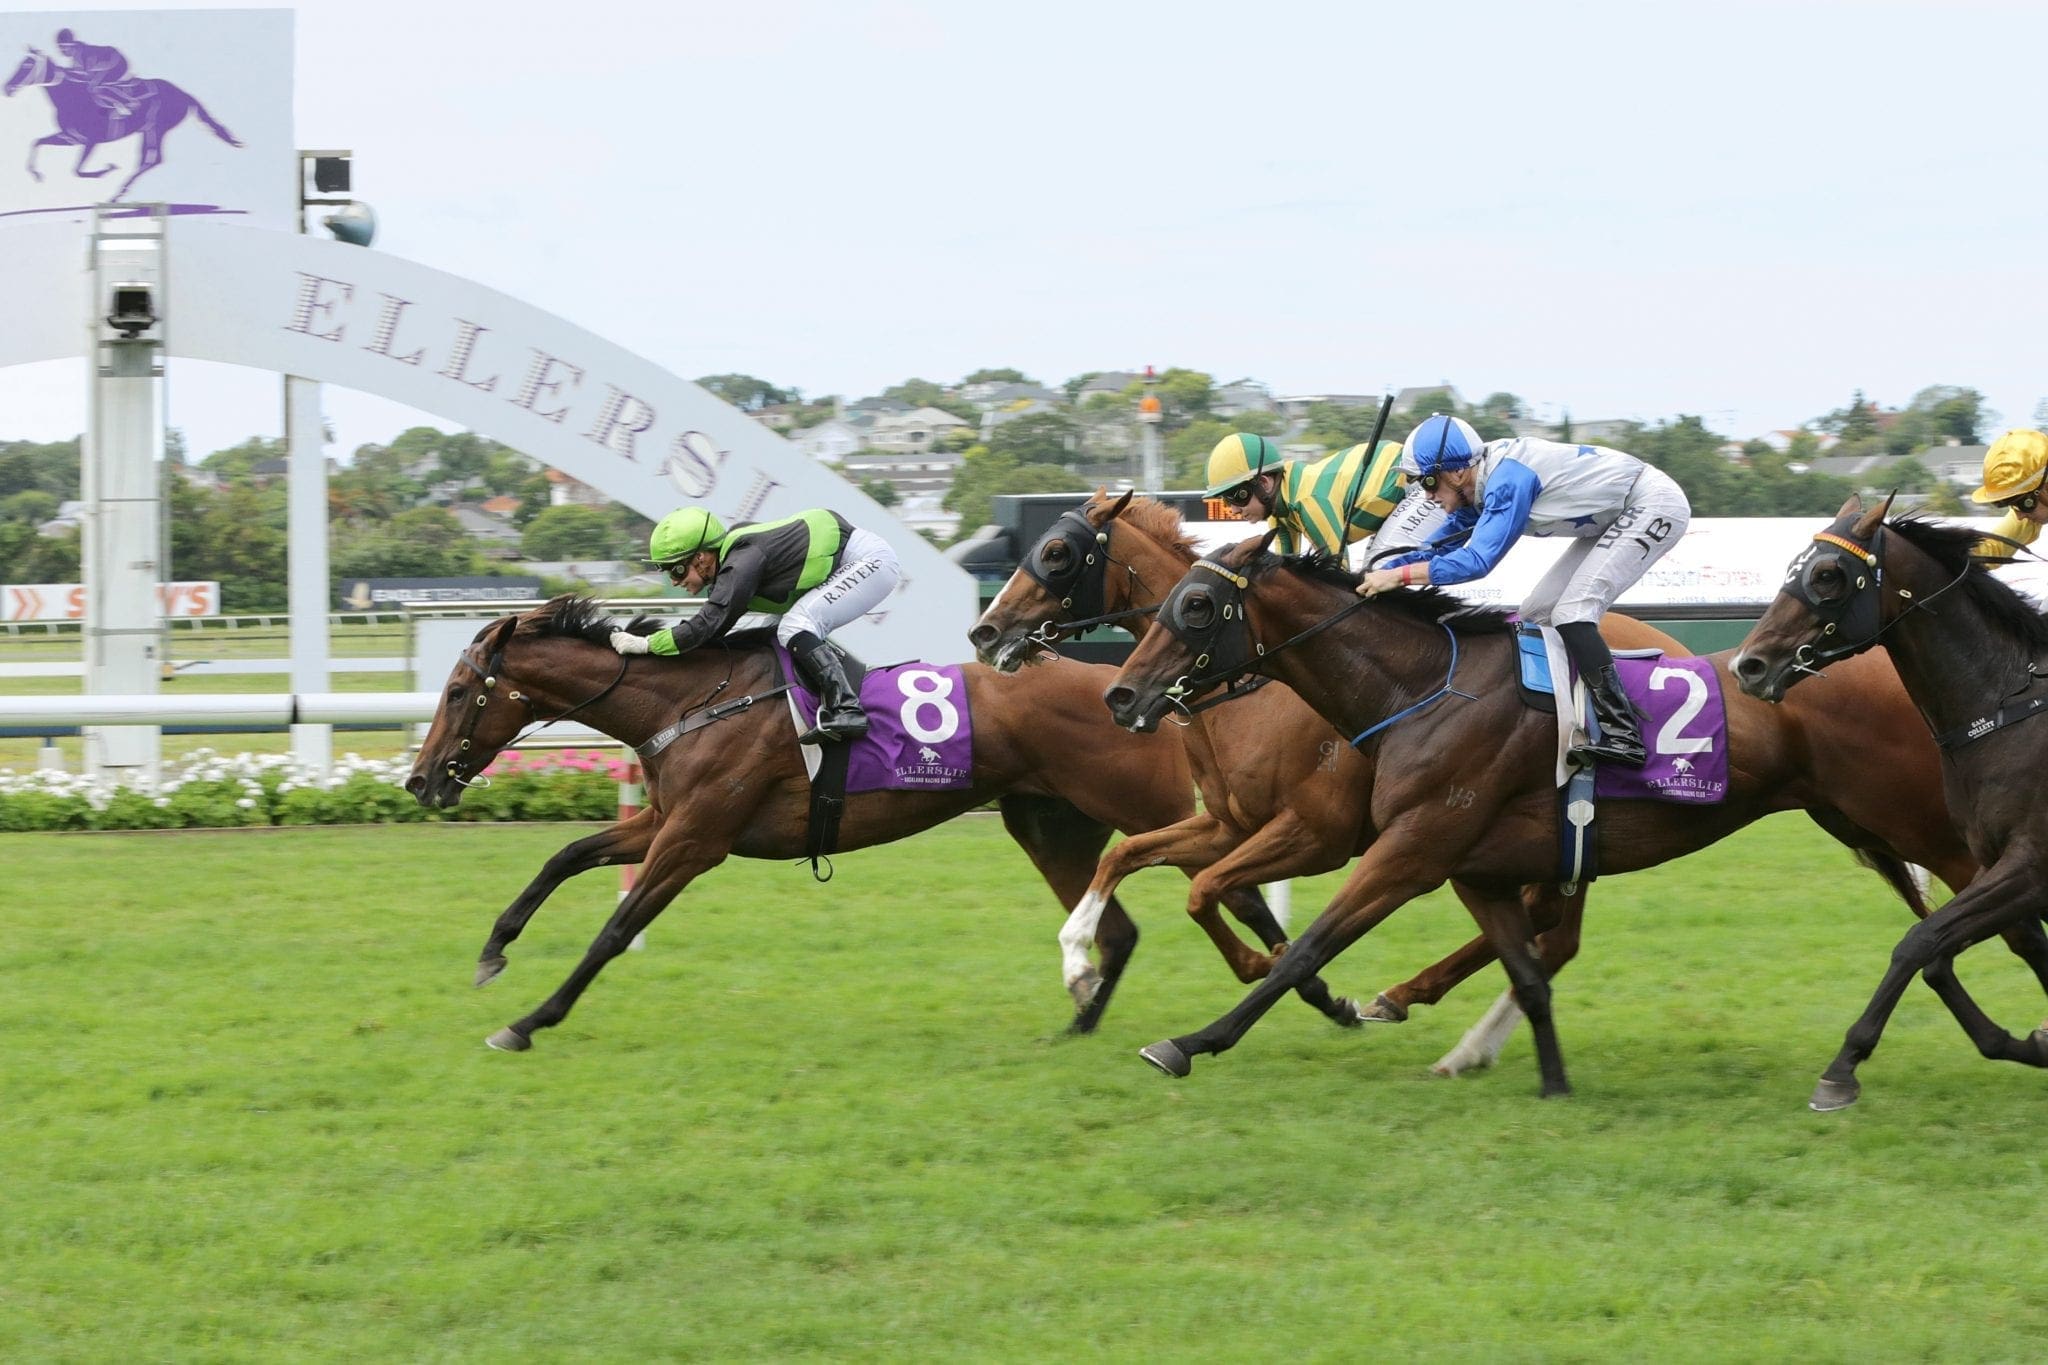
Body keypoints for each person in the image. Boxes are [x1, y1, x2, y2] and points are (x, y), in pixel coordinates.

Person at [1357, 415, 1691, 768]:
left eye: (1428, 482)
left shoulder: (1507, 480)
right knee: (1535, 616)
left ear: (1455, 473)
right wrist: (1376, 572)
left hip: (1651, 503)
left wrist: (1400, 577)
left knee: (1572, 612)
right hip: (1616, 513)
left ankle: (1624, 734)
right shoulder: (1476, 485)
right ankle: (1564, 723)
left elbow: (1476, 562)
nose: (1426, 495)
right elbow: (1437, 549)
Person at [611, 506, 900, 743]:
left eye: (676, 569)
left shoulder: (741, 563)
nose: (674, 581)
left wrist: (648, 643)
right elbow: (712, 632)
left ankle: (847, 709)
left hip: (868, 561)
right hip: (845, 563)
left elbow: (708, 624)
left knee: (794, 626)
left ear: (701, 557)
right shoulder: (730, 566)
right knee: (773, 636)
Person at [1204, 431, 1446, 564]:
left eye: (1236, 497)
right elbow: (1284, 574)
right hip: (1400, 485)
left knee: (1378, 569)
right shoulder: (1281, 515)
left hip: (1417, 484)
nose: (1233, 510)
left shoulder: (1308, 500)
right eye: (1225, 501)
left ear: (1264, 484)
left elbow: (1337, 570)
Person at [1969, 428, 2048, 559]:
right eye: (2011, 504)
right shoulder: (2031, 510)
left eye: (2022, 503)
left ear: (2045, 488)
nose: (2020, 516)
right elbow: (1992, 551)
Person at [53, 28, 138, 119]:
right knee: (91, 86)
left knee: (93, 88)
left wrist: (65, 73)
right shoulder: (77, 54)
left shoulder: (84, 55)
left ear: (71, 45)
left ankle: (129, 103)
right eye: (60, 48)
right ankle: (116, 104)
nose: (62, 51)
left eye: (64, 47)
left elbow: (85, 77)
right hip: (108, 63)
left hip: (118, 63)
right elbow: (77, 74)